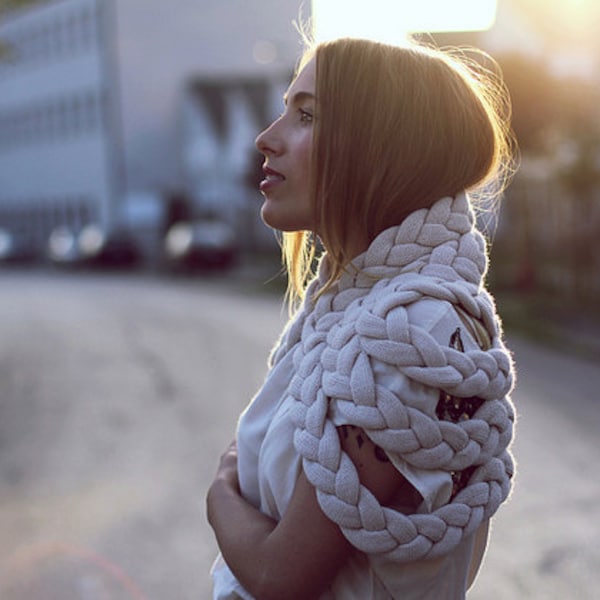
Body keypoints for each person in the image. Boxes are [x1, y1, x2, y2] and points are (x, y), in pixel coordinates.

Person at [207, 35, 517, 600]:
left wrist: (220, 494)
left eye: (305, 116)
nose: (266, 139)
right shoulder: (351, 303)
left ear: (379, 149)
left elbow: (284, 575)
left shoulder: (412, 331)